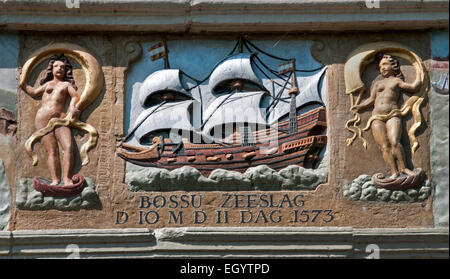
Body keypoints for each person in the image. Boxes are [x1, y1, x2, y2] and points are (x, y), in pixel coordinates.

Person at [351, 53, 422, 178]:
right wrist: (360, 106)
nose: (382, 68)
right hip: (376, 117)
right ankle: (394, 171)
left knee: (395, 141)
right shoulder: (377, 84)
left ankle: (404, 168)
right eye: (380, 66)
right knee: (384, 146)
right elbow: (371, 100)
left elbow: (413, 87)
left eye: (385, 64)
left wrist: (420, 72)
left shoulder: (396, 81)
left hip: (393, 114)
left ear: (393, 66)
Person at [20, 54, 80, 185]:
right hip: (42, 119)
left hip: (60, 118)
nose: (59, 69)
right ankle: (55, 180)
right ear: (51, 69)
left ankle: (67, 179)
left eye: (62, 67)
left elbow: (75, 97)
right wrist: (23, 83)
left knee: (68, 147)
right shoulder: (47, 84)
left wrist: (71, 109)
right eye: (56, 66)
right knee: (52, 150)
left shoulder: (66, 85)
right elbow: (34, 93)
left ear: (66, 71)